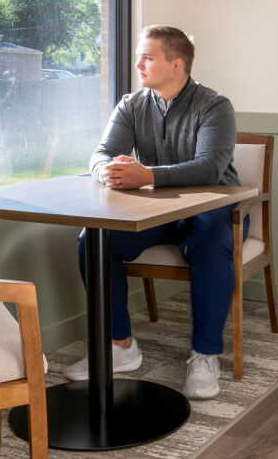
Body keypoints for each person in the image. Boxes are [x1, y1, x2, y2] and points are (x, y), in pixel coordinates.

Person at [67, 24, 245, 399]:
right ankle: (121, 347)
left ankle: (205, 355)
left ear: (176, 64)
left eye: (147, 57)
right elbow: (100, 153)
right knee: (94, 241)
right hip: (156, 213)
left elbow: (210, 168)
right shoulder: (132, 104)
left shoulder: (215, 106)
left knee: (210, 239)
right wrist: (107, 172)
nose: (138, 65)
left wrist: (146, 174)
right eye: (139, 56)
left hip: (215, 209)